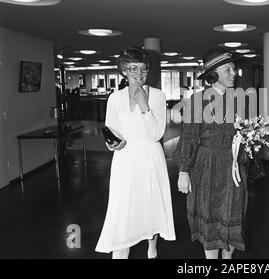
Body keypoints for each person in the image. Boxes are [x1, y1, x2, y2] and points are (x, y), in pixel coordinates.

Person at [95, 47, 175, 259]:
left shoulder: (157, 95)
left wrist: (144, 107)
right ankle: (120, 252)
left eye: (143, 69)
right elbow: (110, 128)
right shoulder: (115, 98)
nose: (138, 74)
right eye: (133, 68)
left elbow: (156, 134)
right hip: (125, 158)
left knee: (150, 202)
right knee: (123, 205)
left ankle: (152, 249)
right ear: (123, 71)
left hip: (150, 155)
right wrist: (112, 144)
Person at [175, 48, 247, 259]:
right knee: (209, 216)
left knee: (234, 214)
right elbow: (188, 137)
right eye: (228, 70)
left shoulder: (240, 100)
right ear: (213, 74)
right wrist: (183, 171)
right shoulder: (198, 101)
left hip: (233, 167)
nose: (233, 73)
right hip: (207, 165)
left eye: (234, 69)